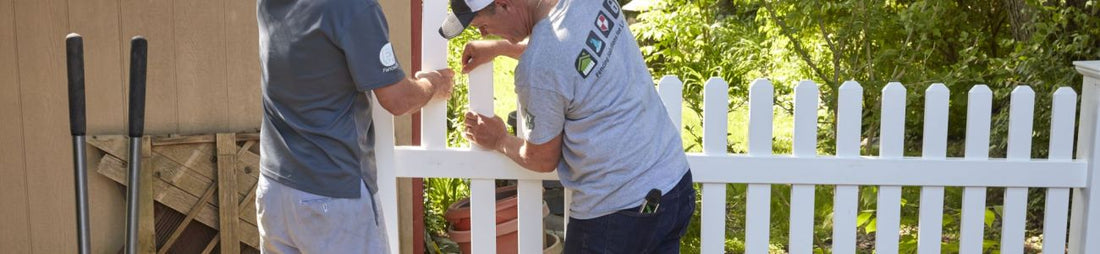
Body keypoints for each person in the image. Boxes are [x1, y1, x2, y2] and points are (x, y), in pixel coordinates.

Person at [441, 0, 695, 252]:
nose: (483, 34)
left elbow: (541, 158)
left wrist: (499, 139)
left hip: (618, 213)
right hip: (673, 185)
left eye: (482, 25)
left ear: (505, 4)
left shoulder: (537, 68)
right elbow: (571, 54)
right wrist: (500, 48)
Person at [256, 0, 454, 253]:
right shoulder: (352, 6)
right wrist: (434, 84)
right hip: (332, 193)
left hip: (275, 188)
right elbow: (398, 99)